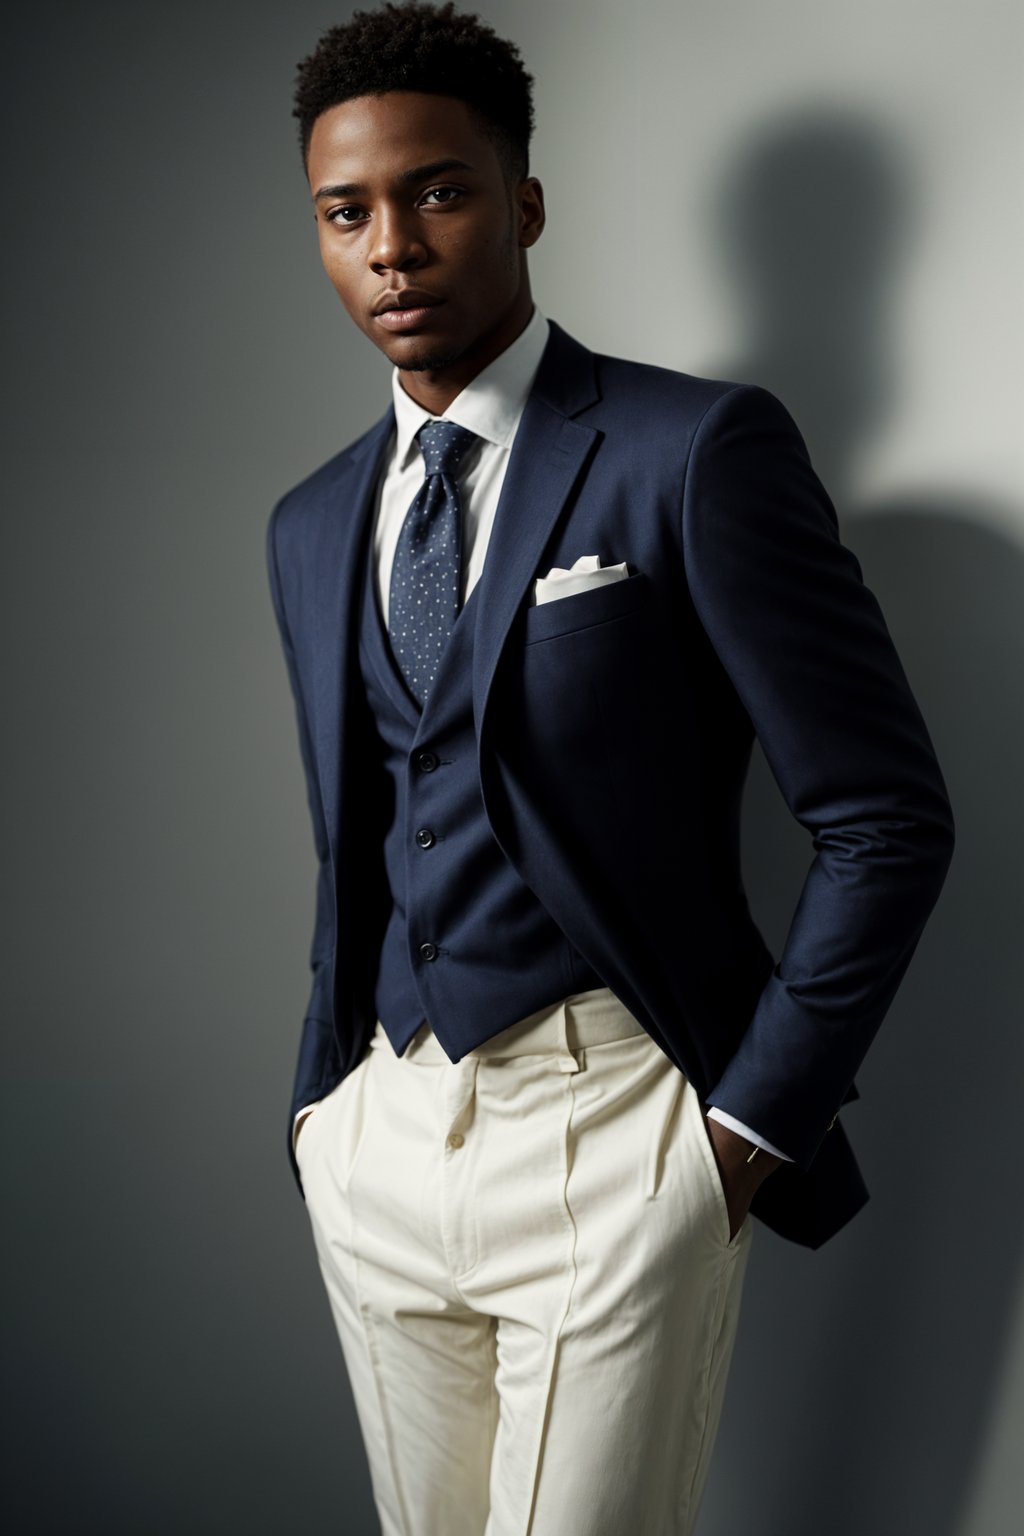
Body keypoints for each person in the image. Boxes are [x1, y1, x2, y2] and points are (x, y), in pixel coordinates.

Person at [265, 4, 955, 1532]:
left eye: (437, 191)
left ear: (521, 202)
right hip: (380, 1139)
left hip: (610, 1128)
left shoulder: (692, 449)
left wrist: (741, 1136)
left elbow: (885, 818)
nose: (392, 246)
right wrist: (326, 1111)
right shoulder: (312, 522)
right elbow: (366, 829)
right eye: (346, 211)